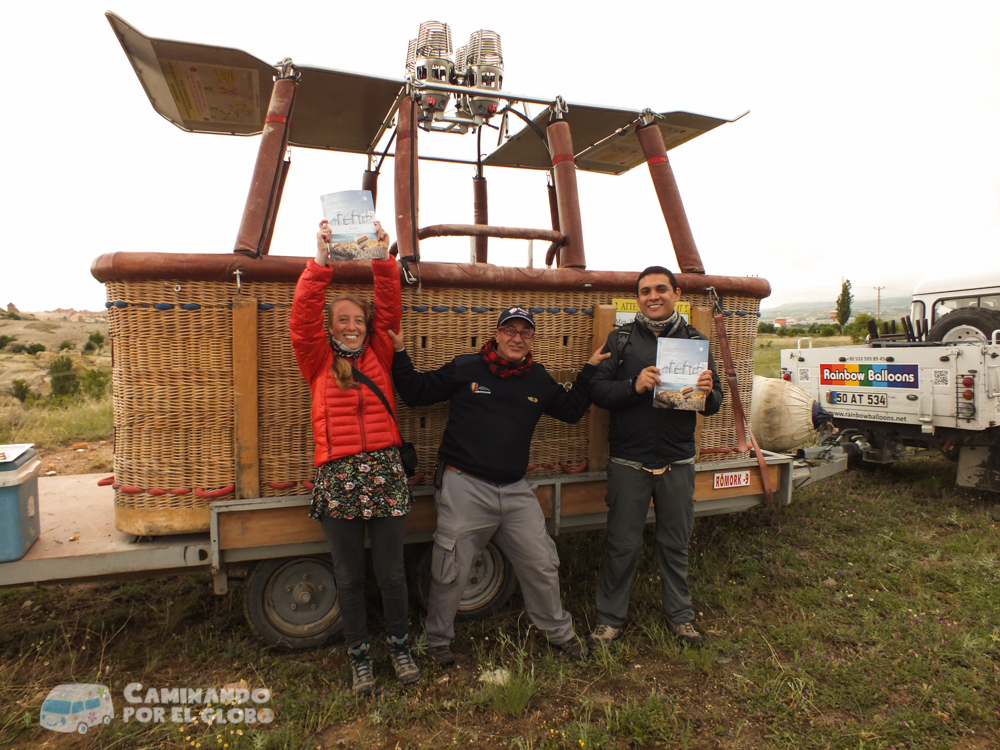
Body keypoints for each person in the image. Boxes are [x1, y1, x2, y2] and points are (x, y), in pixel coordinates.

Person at [387, 306, 610, 666]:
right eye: (511, 330)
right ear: (496, 333)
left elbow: (570, 411)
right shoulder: (466, 368)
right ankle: (437, 641)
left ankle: (559, 633)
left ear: (532, 339)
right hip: (464, 485)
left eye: (525, 332)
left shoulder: (538, 378)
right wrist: (398, 351)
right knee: (452, 569)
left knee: (542, 562)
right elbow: (415, 392)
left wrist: (589, 371)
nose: (517, 338)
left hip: (516, 488)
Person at [290, 220, 419, 695]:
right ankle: (360, 657)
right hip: (338, 474)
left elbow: (389, 306)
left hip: (384, 472)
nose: (350, 325)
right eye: (342, 319)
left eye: (357, 320)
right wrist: (321, 262)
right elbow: (301, 316)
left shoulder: (381, 353)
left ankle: (401, 647)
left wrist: (384, 259)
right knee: (348, 576)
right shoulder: (316, 358)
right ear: (331, 327)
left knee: (391, 573)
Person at [587, 266, 723, 647]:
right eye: (645, 291)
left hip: (678, 460)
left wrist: (709, 392)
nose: (653, 296)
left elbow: (713, 404)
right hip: (629, 460)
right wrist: (635, 385)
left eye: (661, 289)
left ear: (676, 293)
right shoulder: (622, 339)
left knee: (675, 543)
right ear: (638, 298)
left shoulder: (696, 342)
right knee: (622, 543)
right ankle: (610, 619)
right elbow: (597, 392)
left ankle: (681, 617)